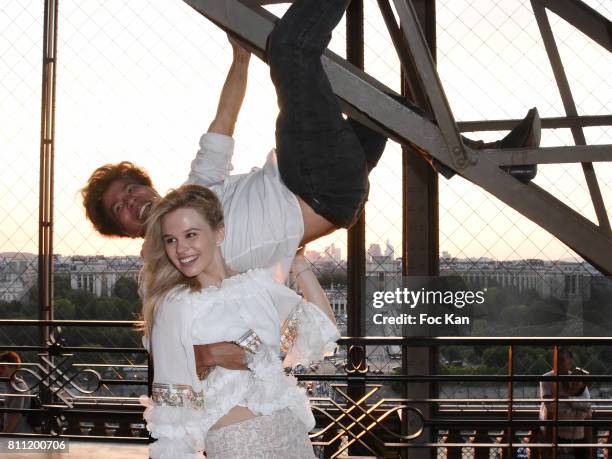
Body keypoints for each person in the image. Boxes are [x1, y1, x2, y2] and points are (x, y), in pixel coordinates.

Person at [81, 0, 540, 372]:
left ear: (147, 185)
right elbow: (163, 321)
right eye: (119, 207)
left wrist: (239, 58)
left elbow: (221, 126)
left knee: (385, 106)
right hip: (314, 185)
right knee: (290, 48)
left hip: (325, 184)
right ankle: (476, 161)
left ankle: (482, 158)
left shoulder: (195, 192)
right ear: (122, 230)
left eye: (129, 188)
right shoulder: (168, 259)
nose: (131, 200)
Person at [140, 184, 339, 459]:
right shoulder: (174, 304)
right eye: (170, 239)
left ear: (218, 233)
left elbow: (323, 329)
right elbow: (171, 416)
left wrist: (299, 262)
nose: (181, 248)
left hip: (291, 432)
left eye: (191, 235)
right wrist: (205, 355)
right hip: (237, 444)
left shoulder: (257, 284)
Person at [539, 349, 593, 459]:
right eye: (556, 360)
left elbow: (587, 406)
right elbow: (550, 407)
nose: (558, 363)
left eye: (561, 360)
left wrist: (566, 399)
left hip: (573, 434)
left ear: (570, 363)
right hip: (558, 434)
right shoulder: (546, 379)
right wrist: (575, 405)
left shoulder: (576, 378)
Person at [0, 352, 32, 433]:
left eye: (3, 367)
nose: (0, 370)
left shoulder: (18, 387)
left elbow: (15, 416)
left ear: (13, 368)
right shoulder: (12, 385)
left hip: (17, 433)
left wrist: (5, 435)